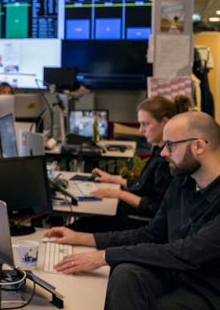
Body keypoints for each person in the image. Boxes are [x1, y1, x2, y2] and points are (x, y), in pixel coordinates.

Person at [45, 111, 220, 309]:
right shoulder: (182, 183)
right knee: (125, 273)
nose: (163, 153)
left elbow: (186, 253)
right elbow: (150, 234)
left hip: (205, 288)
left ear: (199, 146)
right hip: (175, 273)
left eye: (170, 145)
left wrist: (104, 256)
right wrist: (82, 238)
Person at [76, 95, 192, 231]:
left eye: (145, 124)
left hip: (136, 222)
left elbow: (154, 207)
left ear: (165, 123)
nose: (140, 130)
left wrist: (119, 194)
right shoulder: (157, 150)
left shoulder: (167, 161)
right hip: (129, 213)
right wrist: (113, 179)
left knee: (80, 225)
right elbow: (143, 186)